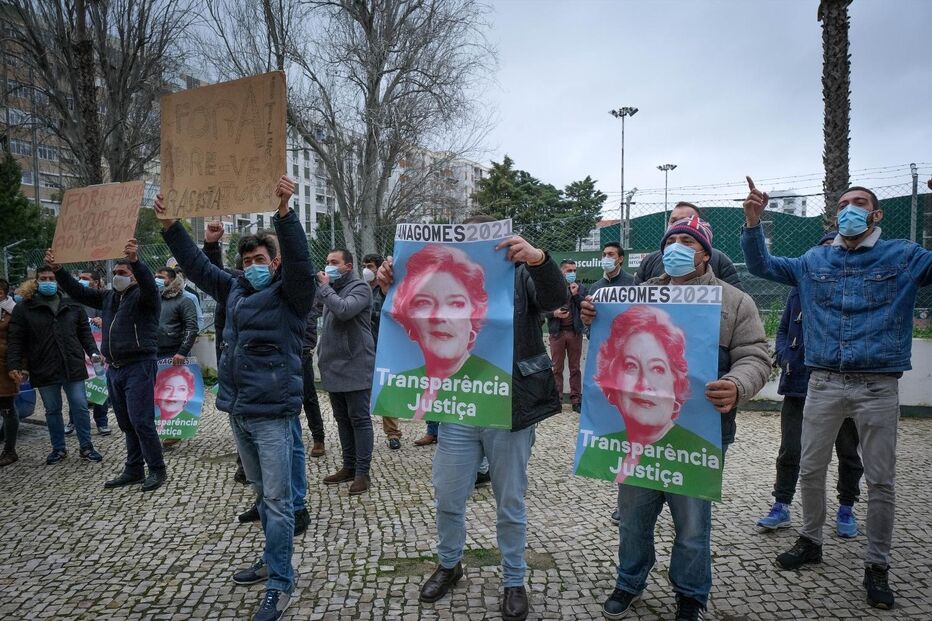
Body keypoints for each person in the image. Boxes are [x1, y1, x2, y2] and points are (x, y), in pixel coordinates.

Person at [741, 179, 932, 610]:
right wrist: (753, 224)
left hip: (877, 384)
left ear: (875, 214)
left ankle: (877, 566)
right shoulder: (814, 260)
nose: (850, 210)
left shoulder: (903, 256)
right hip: (822, 381)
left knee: (881, 480)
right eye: (844, 204)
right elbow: (763, 267)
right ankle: (811, 541)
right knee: (810, 468)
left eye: (859, 203)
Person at [378, 216, 568, 621]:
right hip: (458, 408)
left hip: (510, 408)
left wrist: (538, 259)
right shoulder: (431, 276)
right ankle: (449, 564)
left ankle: (514, 579)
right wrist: (389, 282)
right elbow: (401, 314)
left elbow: (554, 299)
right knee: (448, 495)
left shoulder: (519, 274)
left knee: (510, 501)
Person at [582, 215, 770, 621]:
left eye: (688, 240)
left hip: (699, 431)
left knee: (692, 526)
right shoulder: (636, 294)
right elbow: (606, 337)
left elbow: (756, 355)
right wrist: (591, 317)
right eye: (672, 240)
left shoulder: (734, 301)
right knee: (632, 519)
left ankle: (690, 593)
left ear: (705, 253)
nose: (677, 247)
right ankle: (629, 581)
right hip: (636, 442)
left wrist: (738, 385)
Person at [156, 176, 315, 621]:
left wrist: (284, 215)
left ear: (274, 262)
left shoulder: (291, 296)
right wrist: (171, 227)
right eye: (247, 260)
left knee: (281, 503)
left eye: (260, 259)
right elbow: (201, 269)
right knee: (265, 498)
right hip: (239, 412)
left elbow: (301, 265)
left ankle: (282, 584)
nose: (252, 265)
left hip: (274, 417)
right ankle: (271, 560)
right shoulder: (237, 289)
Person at [756, 231, 863, 537]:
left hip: (844, 384)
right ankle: (781, 505)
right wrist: (784, 352)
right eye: (824, 248)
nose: (830, 254)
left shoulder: (854, 290)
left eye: (836, 248)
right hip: (799, 383)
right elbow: (785, 326)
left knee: (847, 451)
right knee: (790, 449)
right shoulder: (799, 287)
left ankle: (846, 507)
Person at [49, 240, 166, 490]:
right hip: (116, 367)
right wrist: (59, 270)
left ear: (134, 277)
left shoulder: (146, 297)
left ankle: (156, 468)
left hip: (139, 365)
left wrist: (136, 261)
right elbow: (80, 293)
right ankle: (133, 468)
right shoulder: (110, 297)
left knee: (141, 420)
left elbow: (148, 284)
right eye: (115, 273)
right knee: (125, 421)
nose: (117, 277)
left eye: (122, 273)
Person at [373, 244, 511, 423]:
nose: (439, 316)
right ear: (409, 321)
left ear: (474, 314)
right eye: (424, 303)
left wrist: (538, 261)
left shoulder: (500, 384)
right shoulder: (395, 384)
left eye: (456, 304)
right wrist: (389, 286)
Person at [6, 266, 104, 465]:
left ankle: (86, 446)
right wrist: (14, 364)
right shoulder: (25, 308)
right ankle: (58, 449)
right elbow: (16, 339)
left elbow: (85, 334)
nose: (48, 281)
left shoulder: (72, 305)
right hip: (43, 365)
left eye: (51, 278)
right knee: (52, 409)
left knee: (80, 406)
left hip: (72, 364)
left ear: (57, 281)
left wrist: (93, 352)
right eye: (44, 278)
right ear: (36, 281)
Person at [317, 248, 376, 495]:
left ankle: (363, 472)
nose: (328, 265)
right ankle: (348, 466)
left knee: (359, 420)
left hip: (356, 364)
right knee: (342, 420)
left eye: (334, 262)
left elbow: (343, 310)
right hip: (333, 365)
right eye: (327, 261)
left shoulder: (360, 288)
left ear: (348, 266)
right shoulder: (332, 288)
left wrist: (324, 288)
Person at [634, 202, 742, 289]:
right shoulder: (650, 261)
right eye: (674, 221)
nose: (679, 224)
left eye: (686, 220)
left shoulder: (719, 260)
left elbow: (733, 299)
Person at [363, 252, 401, 450]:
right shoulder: (362, 290)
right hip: (364, 351)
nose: (366, 270)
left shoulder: (389, 291)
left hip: (383, 349)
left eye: (369, 266)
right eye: (364, 266)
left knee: (386, 393)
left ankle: (393, 434)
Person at [545, 259, 587, 413]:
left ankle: (576, 400)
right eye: (569, 271)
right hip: (557, 333)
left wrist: (575, 295)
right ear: (561, 271)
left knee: (575, 368)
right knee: (557, 368)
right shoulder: (552, 288)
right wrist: (554, 313)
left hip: (574, 332)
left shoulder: (581, 288)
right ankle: (557, 400)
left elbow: (585, 307)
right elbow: (542, 310)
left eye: (574, 271)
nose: (572, 274)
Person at [74, 270, 111, 436]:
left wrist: (104, 321)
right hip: (77, 351)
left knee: (99, 387)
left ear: (96, 282)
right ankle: (73, 421)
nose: (81, 281)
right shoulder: (74, 300)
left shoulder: (104, 300)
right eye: (80, 278)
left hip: (98, 353)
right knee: (76, 389)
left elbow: (114, 321)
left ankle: (102, 422)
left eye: (85, 279)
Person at [301, 297, 326, 458]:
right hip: (281, 351)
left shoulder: (307, 289)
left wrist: (307, 346)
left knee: (309, 397)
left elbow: (311, 316)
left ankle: (319, 437)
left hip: (302, 352)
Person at [0, 279, 20, 466]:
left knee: (7, 408)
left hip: (5, 367)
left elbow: (18, 341)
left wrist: (19, 367)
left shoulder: (13, 311)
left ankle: (9, 450)